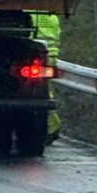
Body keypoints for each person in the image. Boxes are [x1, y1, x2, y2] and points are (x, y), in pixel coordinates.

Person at [29, 11, 62, 144]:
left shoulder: (30, 14)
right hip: (50, 55)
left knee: (42, 93)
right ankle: (51, 127)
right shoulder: (53, 16)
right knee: (45, 90)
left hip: (34, 54)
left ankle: (51, 126)